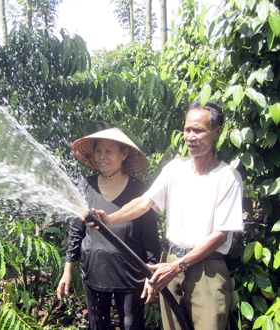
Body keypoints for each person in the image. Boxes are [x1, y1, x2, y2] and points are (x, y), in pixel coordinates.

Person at [85, 101, 244, 330]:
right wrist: (109, 220)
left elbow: (220, 235)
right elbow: (144, 202)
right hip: (170, 261)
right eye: (187, 129)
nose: (191, 136)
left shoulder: (227, 177)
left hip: (207, 269)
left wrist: (177, 266)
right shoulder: (175, 169)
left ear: (217, 132)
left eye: (199, 130)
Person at [56, 127, 160, 330]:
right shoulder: (86, 187)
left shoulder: (140, 191)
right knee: (98, 325)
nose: (102, 156)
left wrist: (151, 275)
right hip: (94, 272)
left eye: (109, 151)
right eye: (98, 151)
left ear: (124, 154)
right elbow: (76, 231)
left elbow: (150, 237)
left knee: (131, 325)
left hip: (131, 274)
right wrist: (67, 270)